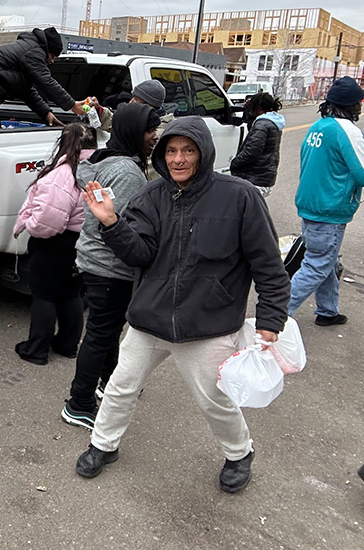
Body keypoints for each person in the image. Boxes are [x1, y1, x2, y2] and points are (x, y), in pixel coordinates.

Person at [74, 116, 290, 493]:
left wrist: (272, 319)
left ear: (203, 152)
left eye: (188, 150)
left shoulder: (240, 196)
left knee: (214, 400)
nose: (178, 159)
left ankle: (240, 453)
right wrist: (111, 223)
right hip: (149, 320)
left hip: (207, 325)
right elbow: (139, 255)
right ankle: (103, 445)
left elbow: (269, 265)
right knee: (121, 386)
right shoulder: (150, 196)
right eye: (171, 150)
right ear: (161, 155)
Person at [61, 103, 160, 429]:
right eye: (150, 130)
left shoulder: (105, 159)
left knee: (107, 331)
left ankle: (109, 382)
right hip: (109, 266)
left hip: (93, 259)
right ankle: (79, 403)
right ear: (134, 132)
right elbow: (124, 227)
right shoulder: (128, 172)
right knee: (101, 335)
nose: (154, 136)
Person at [288, 76, 364, 326]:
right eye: (359, 103)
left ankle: (327, 311)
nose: (361, 108)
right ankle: (273, 316)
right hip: (330, 209)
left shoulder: (319, 126)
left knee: (325, 260)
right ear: (351, 105)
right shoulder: (348, 131)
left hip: (311, 204)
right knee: (317, 265)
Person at [13, 122, 96, 365]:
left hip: (55, 243)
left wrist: (28, 223)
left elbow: (48, 220)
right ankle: (68, 344)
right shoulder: (97, 168)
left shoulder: (62, 174)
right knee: (71, 293)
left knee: (44, 295)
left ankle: (36, 349)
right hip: (83, 241)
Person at [0, 27, 87, 129]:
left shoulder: (29, 54)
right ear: (47, 50)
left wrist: (46, 113)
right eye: (53, 56)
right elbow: (46, 82)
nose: (52, 61)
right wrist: (72, 104)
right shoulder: (33, 51)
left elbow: (27, 91)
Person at [229, 92, 285, 198]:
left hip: (254, 178)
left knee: (244, 211)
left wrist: (234, 163)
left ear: (259, 108)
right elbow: (251, 127)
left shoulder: (261, 125)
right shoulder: (273, 122)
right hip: (264, 176)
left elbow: (251, 151)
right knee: (252, 210)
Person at [129, 79, 173, 181]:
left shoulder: (160, 132)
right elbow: (119, 123)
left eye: (136, 100)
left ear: (148, 105)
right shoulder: (140, 121)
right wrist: (99, 112)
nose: (130, 102)